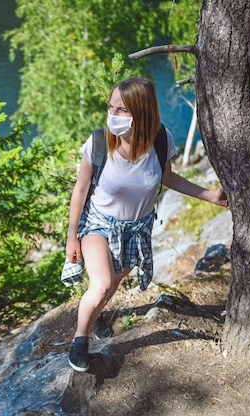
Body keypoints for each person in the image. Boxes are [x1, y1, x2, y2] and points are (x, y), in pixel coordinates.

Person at [66, 76, 228, 372]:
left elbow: (167, 178)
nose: (112, 116)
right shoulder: (99, 142)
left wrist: (210, 196)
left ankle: (96, 312)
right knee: (101, 284)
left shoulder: (161, 140)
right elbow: (80, 189)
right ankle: (79, 342)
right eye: (111, 108)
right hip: (99, 224)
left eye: (121, 110)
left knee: (112, 283)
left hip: (137, 230)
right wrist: (71, 236)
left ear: (142, 113)